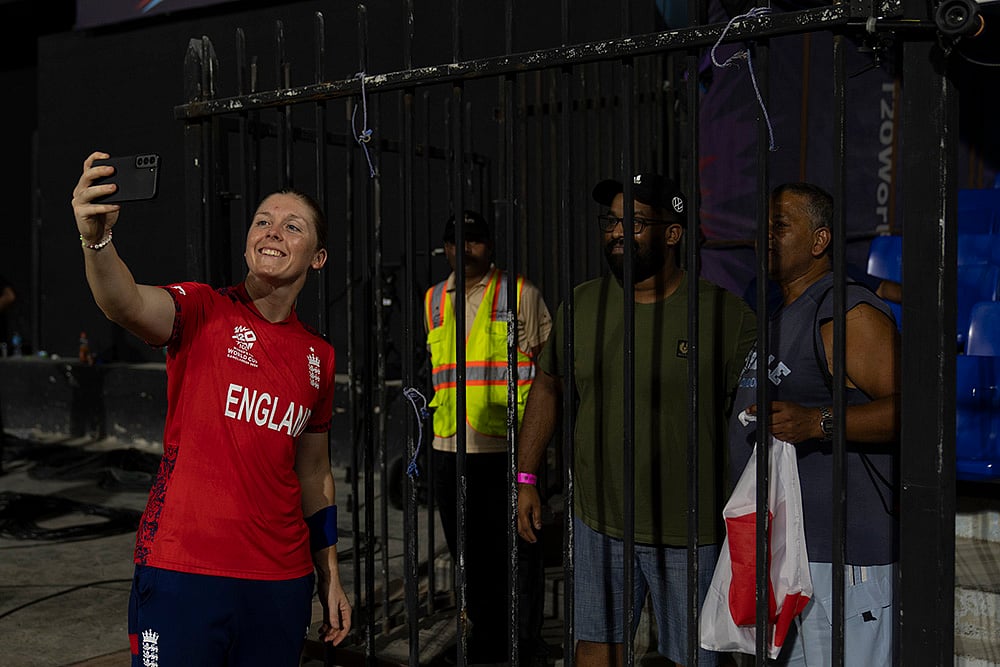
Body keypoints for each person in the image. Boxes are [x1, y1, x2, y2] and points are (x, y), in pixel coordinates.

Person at [71, 151, 351, 666]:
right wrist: (97, 240)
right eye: (262, 221)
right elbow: (125, 303)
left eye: (292, 226)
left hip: (281, 581)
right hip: (184, 572)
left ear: (318, 257)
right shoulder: (202, 309)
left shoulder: (319, 356)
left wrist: (330, 574)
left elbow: (314, 473)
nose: (272, 232)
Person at [516, 174, 757, 667]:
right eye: (611, 221)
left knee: (694, 658)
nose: (617, 231)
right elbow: (548, 384)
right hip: (598, 523)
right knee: (593, 652)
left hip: (692, 533)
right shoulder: (581, 305)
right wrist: (525, 477)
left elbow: (758, 416)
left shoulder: (725, 316)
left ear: (673, 233)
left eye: (635, 221)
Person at [728, 182, 900, 666]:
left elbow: (915, 410)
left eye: (780, 226)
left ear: (820, 241)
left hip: (842, 561)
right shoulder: (783, 313)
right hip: (788, 556)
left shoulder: (847, 312)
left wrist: (818, 421)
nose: (765, 236)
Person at [424, 210, 552, 664]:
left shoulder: (520, 293)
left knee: (518, 555)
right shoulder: (434, 299)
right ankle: (484, 639)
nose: (466, 249)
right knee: (468, 555)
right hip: (450, 447)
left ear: (490, 245)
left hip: (506, 448)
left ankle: (523, 643)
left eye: (475, 240)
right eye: (457, 241)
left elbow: (548, 374)